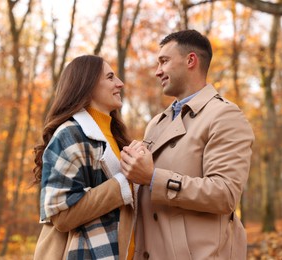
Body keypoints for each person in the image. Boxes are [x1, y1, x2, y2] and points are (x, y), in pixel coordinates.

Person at [120, 29, 255, 259]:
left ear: (190, 60)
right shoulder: (156, 123)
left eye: (164, 61)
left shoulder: (224, 115)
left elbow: (225, 194)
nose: (157, 71)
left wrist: (153, 178)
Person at [33, 55, 137, 260]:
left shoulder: (116, 135)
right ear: (87, 86)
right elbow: (61, 216)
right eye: (110, 77)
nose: (120, 83)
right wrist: (126, 182)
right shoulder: (69, 134)